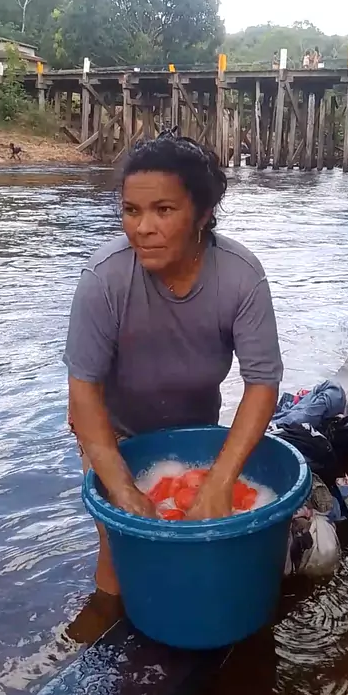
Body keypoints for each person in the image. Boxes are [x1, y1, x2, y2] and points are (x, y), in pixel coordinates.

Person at [63, 131, 283, 610]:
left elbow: (262, 383)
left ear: (202, 214)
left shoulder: (241, 278)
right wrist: (123, 488)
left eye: (163, 210)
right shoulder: (104, 280)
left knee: (201, 538)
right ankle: (107, 625)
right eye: (131, 210)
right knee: (117, 546)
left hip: (195, 433)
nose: (143, 228)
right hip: (113, 432)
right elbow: (83, 391)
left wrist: (220, 480)